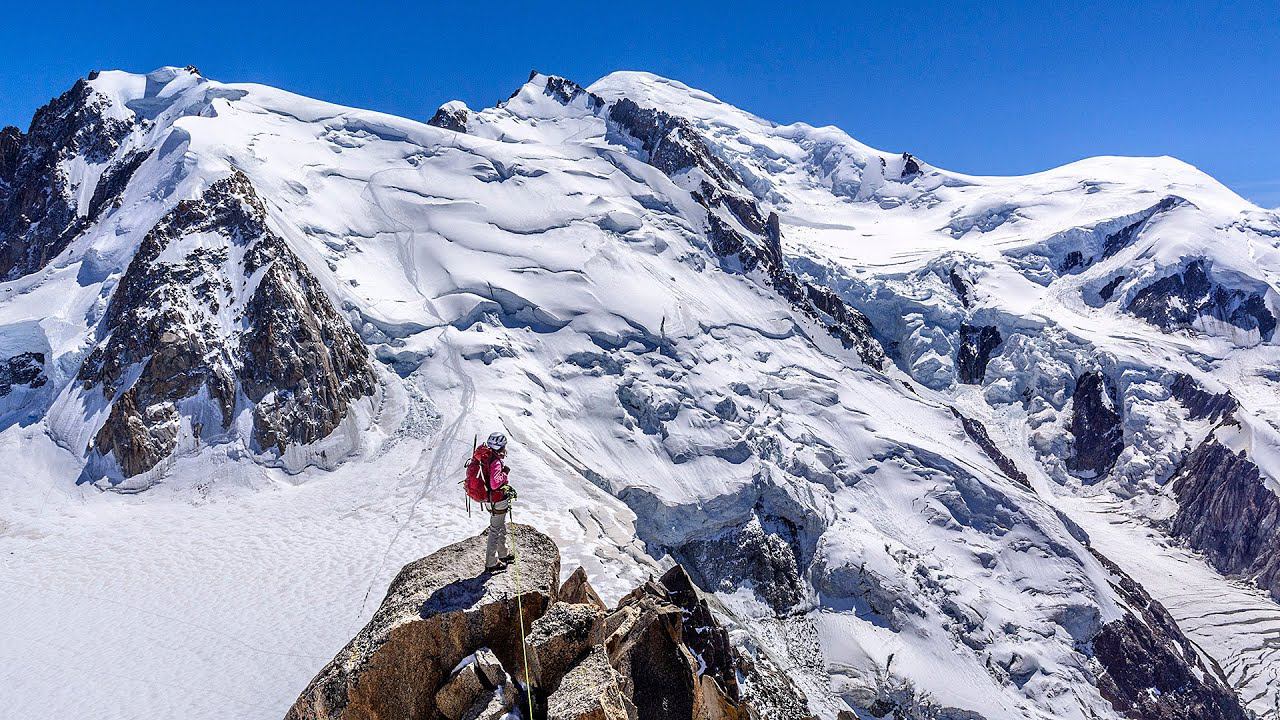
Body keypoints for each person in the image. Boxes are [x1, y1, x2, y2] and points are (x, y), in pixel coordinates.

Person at [469, 432, 518, 571]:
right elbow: (495, 483)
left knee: (500, 525)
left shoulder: (485, 457)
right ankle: (491, 562)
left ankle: (503, 553)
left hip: (489, 499)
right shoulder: (495, 461)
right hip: (497, 499)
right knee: (496, 529)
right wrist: (505, 474)